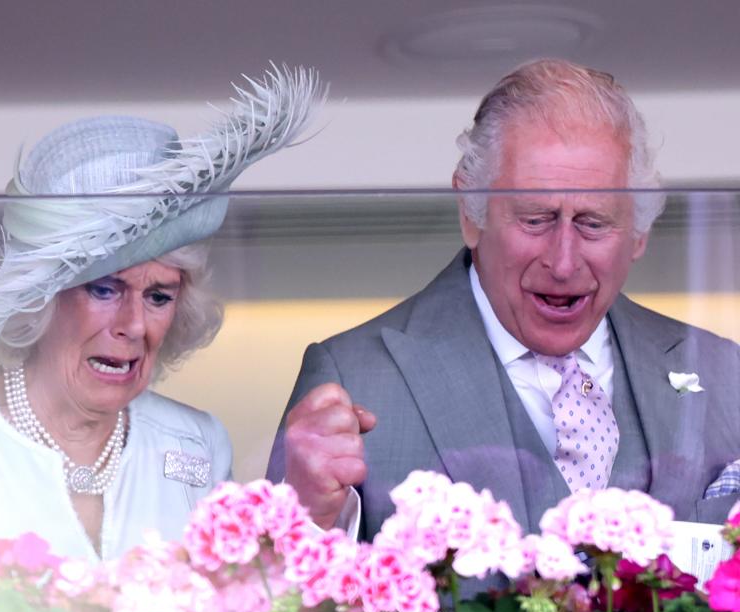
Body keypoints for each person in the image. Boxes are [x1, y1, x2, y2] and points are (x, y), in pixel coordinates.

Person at [0, 66, 324, 612]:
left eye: (159, 296)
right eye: (105, 288)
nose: (134, 324)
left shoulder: (196, 443)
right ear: (41, 299)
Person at [269, 59, 740, 541]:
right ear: (471, 214)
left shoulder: (726, 375)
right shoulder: (353, 377)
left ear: (639, 232)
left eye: (593, 223)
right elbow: (272, 604)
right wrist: (306, 515)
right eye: (535, 219)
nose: (563, 262)